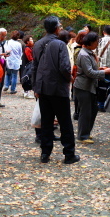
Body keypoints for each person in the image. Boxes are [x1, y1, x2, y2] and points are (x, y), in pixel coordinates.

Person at [32, 16, 80, 165]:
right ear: (57, 28)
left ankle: (45, 153)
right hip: (58, 88)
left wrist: (36, 87)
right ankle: (69, 154)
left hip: (42, 88)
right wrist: (69, 79)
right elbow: (65, 67)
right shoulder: (60, 44)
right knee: (65, 121)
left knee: (46, 121)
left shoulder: (38, 44)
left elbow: (35, 67)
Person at [74, 31, 110, 143]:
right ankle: (82, 136)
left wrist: (101, 69)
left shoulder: (89, 53)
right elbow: (89, 73)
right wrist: (104, 72)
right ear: (90, 42)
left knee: (93, 110)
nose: (97, 44)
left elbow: (92, 70)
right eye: (96, 42)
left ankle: (86, 133)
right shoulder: (84, 54)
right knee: (85, 112)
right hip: (83, 87)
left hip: (90, 86)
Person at [3, 30, 23, 95]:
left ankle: (6, 85)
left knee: (8, 74)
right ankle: (13, 89)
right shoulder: (19, 44)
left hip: (9, 59)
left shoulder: (8, 42)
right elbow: (20, 53)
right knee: (14, 75)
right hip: (16, 60)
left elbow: (6, 50)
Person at [22, 35, 35, 99]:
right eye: (31, 39)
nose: (32, 41)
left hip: (27, 66)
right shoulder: (27, 49)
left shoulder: (30, 48)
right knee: (27, 78)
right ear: (27, 42)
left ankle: (26, 92)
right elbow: (30, 58)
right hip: (27, 66)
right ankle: (26, 92)